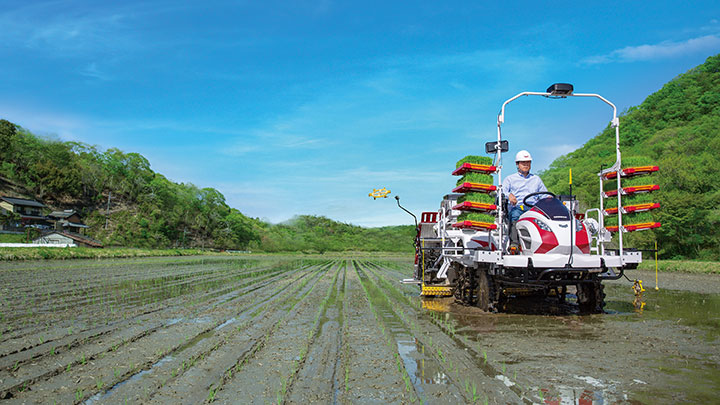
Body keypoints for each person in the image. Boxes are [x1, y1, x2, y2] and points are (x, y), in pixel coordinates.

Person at [502, 150, 547, 249]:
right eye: (523, 163)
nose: (526, 165)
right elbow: (502, 191)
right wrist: (509, 195)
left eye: (528, 162)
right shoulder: (510, 179)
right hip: (518, 207)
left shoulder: (536, 179)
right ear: (517, 164)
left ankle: (543, 244)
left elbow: (544, 195)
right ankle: (514, 243)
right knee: (515, 215)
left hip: (533, 208)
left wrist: (550, 199)